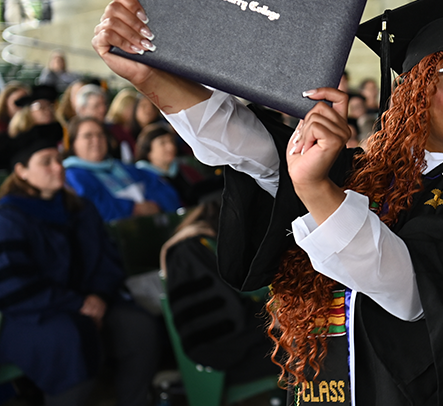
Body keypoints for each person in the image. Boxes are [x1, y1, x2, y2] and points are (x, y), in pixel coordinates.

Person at [92, 0, 443, 404]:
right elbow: (252, 149)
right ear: (414, 91)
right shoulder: (366, 175)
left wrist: (316, 187)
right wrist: (149, 75)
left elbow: (414, 289)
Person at [0, 123, 161, 406]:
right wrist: (78, 303)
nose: (58, 168)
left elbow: (106, 261)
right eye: (46, 162)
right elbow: (15, 285)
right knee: (71, 339)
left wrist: (98, 296)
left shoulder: (80, 208)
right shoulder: (9, 218)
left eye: (58, 161)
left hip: (93, 303)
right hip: (37, 314)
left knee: (140, 329)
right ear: (21, 171)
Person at [160, 200, 279, 383]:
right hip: (230, 354)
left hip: (248, 341)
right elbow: (222, 318)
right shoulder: (188, 252)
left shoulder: (205, 244)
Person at [62, 116, 182, 223]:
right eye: (88, 136)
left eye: (100, 134)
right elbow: (92, 209)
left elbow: (163, 190)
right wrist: (133, 209)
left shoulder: (124, 168)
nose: (96, 140)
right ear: (73, 143)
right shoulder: (72, 176)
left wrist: (156, 204)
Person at [135, 123, 220, 207]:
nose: (171, 147)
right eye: (162, 143)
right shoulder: (142, 177)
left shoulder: (186, 169)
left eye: (171, 141)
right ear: (148, 151)